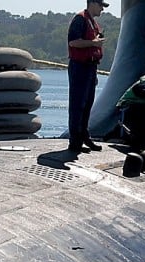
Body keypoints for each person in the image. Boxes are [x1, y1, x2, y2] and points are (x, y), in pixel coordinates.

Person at [66, 0, 108, 153]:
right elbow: (73, 42)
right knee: (78, 105)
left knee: (87, 104)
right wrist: (93, 43)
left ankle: (84, 136)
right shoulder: (80, 19)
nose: (102, 9)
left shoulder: (92, 22)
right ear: (92, 4)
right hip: (80, 67)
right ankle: (75, 142)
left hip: (90, 67)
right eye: (101, 5)